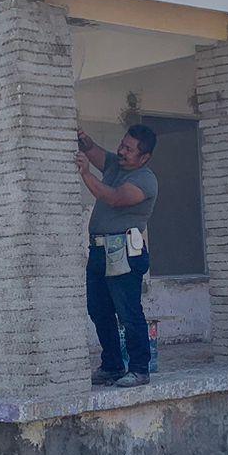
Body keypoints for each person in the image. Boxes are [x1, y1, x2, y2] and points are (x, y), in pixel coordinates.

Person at [75, 124, 159, 387]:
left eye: (129, 149)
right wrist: (82, 138)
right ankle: (111, 366)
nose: (122, 151)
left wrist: (86, 174)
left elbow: (114, 198)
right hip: (99, 250)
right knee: (98, 309)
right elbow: (94, 151)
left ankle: (139, 369)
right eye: (122, 145)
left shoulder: (144, 179)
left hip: (123, 251)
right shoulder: (115, 165)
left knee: (127, 310)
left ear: (144, 157)